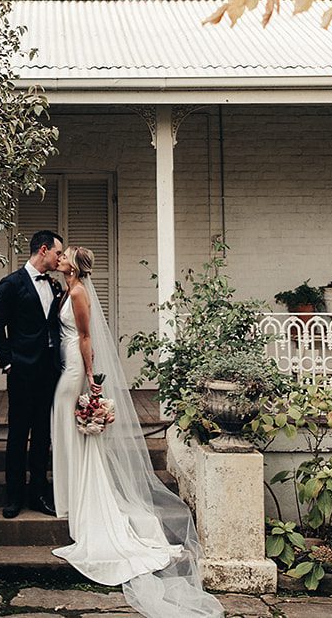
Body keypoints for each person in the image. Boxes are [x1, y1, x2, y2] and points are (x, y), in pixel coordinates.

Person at [50, 246, 223, 617]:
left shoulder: (78, 292)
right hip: (64, 366)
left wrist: (92, 384)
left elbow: (84, 338)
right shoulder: (67, 287)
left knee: (72, 432)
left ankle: (78, 501)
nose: (60, 256)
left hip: (74, 371)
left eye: (65, 255)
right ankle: (68, 496)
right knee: (65, 433)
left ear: (75, 266)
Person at [0, 229, 65, 518]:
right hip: (21, 372)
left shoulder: (56, 287)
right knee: (18, 434)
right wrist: (7, 363)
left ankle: (38, 495)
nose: (60, 258)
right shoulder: (11, 284)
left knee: (43, 436)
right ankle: (14, 496)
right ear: (43, 250)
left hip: (49, 372)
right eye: (58, 252)